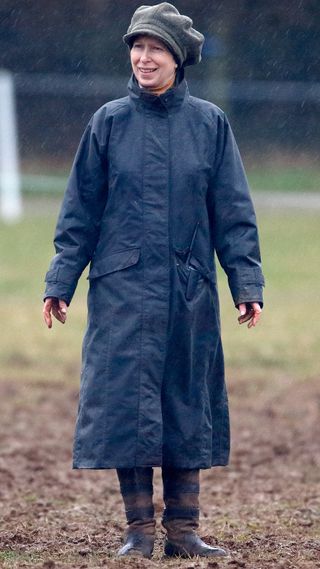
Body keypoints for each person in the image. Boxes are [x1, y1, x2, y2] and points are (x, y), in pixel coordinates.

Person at [43, 2, 264, 560]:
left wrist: (246, 283)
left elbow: (232, 211)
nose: (144, 57)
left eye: (155, 48)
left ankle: (185, 532)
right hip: (121, 291)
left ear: (178, 58)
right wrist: (60, 281)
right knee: (127, 404)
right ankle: (138, 532)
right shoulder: (108, 122)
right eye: (137, 47)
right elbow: (80, 212)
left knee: (186, 401)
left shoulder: (210, 124)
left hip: (189, 291)